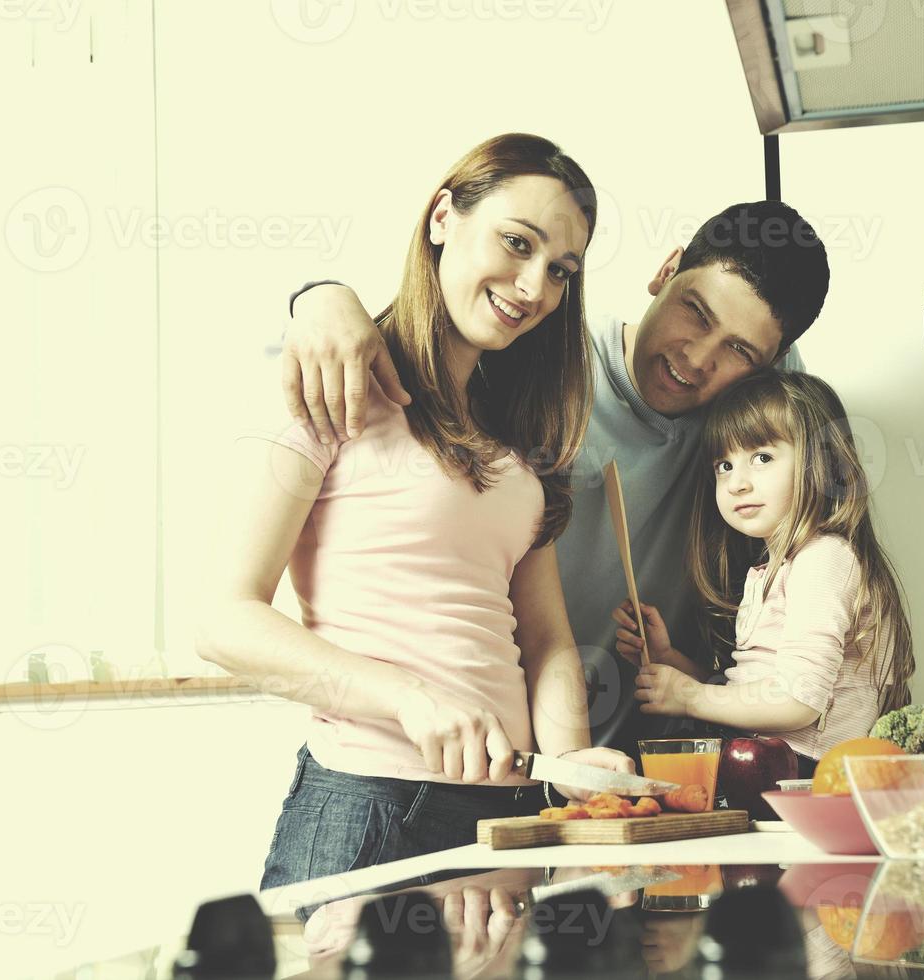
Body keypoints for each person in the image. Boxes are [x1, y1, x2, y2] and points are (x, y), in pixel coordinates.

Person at [196, 133, 633, 903]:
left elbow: (547, 639)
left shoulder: (516, 440)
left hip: (511, 820)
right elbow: (222, 622)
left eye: (560, 270)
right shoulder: (331, 380)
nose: (534, 287)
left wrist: (572, 778)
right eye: (516, 242)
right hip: (374, 808)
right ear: (442, 217)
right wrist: (409, 698)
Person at [281, 200, 830, 751]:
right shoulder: (541, 359)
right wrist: (321, 296)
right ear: (666, 270)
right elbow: (431, 323)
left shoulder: (759, 404)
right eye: (696, 312)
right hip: (476, 743)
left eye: (738, 350)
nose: (698, 357)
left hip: (657, 754)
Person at [613, 371, 914, 776]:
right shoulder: (774, 568)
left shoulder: (824, 559)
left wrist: (690, 697)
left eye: (762, 458)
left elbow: (797, 700)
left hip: (806, 774)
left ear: (823, 461)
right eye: (724, 464)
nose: (737, 483)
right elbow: (753, 690)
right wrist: (671, 660)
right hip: (770, 765)